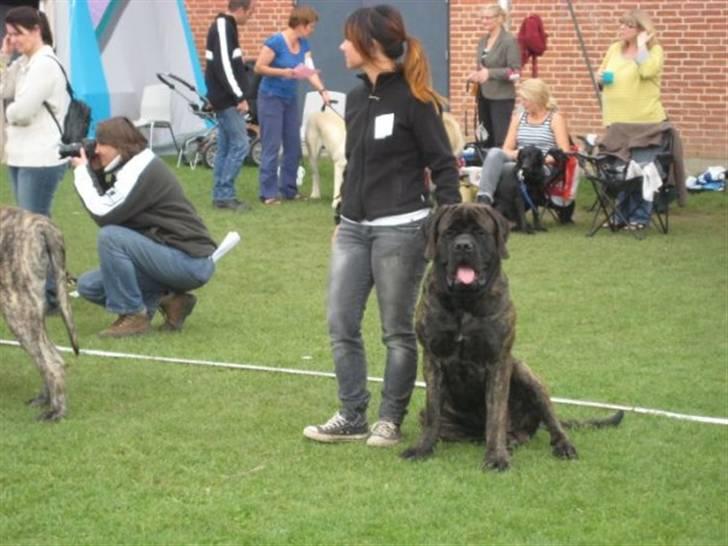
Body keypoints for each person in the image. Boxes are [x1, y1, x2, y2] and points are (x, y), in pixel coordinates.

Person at [303, 5, 461, 447]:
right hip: (354, 228)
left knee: (396, 330)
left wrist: (449, 227)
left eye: (347, 39)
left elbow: (444, 168)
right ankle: (352, 416)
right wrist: (341, 217)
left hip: (402, 231)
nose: (340, 46)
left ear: (370, 46)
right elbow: (352, 164)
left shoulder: (417, 100)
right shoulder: (354, 98)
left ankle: (389, 420)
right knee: (340, 322)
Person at [70, 117, 217, 338]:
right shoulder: (134, 165)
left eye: (100, 144)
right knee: (88, 285)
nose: (96, 150)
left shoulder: (141, 168)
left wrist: (82, 173)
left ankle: (133, 316)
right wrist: (96, 172)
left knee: (111, 237)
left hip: (190, 261)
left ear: (119, 145)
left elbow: (104, 214)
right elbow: (115, 206)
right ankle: (170, 301)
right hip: (169, 255)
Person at [3, 7, 68, 310]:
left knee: (33, 229)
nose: (13, 40)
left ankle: (47, 295)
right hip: (21, 155)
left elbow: (23, 110)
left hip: (41, 157)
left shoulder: (44, 64)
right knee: (34, 227)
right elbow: (4, 90)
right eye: (9, 34)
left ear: (35, 30)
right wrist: (5, 57)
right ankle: (49, 292)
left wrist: (9, 110)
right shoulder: (25, 63)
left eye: (17, 34)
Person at [596, 9, 667, 230]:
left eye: (628, 26)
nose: (622, 29)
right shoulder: (614, 49)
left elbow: (646, 71)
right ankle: (619, 215)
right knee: (619, 171)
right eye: (621, 25)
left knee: (641, 169)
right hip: (617, 123)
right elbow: (602, 73)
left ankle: (639, 217)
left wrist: (643, 46)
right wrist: (600, 78)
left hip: (644, 123)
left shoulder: (654, 51)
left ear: (641, 30)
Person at [254, 5, 329, 204]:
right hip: (270, 97)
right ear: (301, 24)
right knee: (272, 145)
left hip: (289, 98)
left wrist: (322, 91)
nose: (312, 30)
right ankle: (268, 193)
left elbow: (309, 70)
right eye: (311, 26)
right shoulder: (276, 42)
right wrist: (284, 72)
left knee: (293, 145)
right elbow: (259, 67)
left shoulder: (304, 45)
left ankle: (289, 189)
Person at [476, 78, 570, 206]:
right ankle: (484, 198)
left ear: (536, 98)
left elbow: (564, 152)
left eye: (525, 99)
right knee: (494, 152)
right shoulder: (518, 118)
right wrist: (519, 155)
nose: (522, 103)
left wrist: (538, 159)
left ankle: (503, 206)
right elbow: (506, 149)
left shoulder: (555, 119)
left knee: (507, 169)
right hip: (520, 161)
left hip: (540, 166)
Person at [204, 0, 256, 212]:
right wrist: (240, 97)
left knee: (226, 146)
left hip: (223, 98)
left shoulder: (226, 27)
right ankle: (225, 194)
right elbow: (224, 66)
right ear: (241, 9)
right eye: (251, 12)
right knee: (241, 144)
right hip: (226, 99)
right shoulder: (223, 26)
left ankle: (220, 195)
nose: (251, 17)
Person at [468, 3, 521, 149]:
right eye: (482, 18)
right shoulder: (483, 41)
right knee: (485, 139)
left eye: (488, 18)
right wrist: (477, 75)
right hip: (483, 95)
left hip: (502, 99)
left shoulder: (509, 41)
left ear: (499, 19)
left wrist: (490, 73)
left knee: (501, 139)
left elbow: (515, 72)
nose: (484, 21)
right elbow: (483, 67)